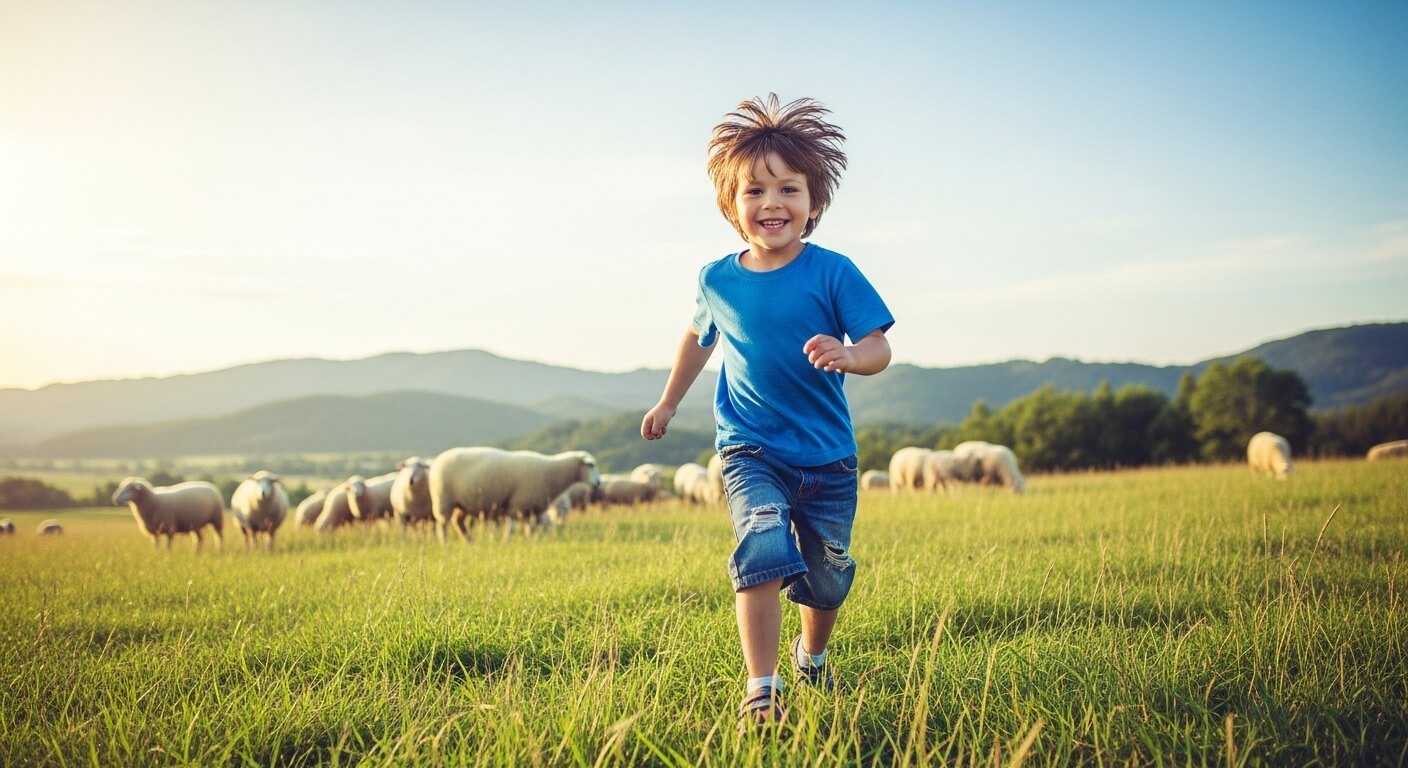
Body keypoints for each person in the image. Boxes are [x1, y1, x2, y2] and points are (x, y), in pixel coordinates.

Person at [640, 93, 894, 729]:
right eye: (755, 191)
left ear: (814, 202)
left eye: (789, 188)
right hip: (750, 447)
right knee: (760, 542)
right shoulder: (717, 279)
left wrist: (848, 355)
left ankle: (813, 657)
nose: (772, 203)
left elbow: (879, 346)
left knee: (827, 574)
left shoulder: (833, 272)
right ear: (732, 205)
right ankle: (762, 687)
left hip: (828, 455)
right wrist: (669, 401)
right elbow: (698, 341)